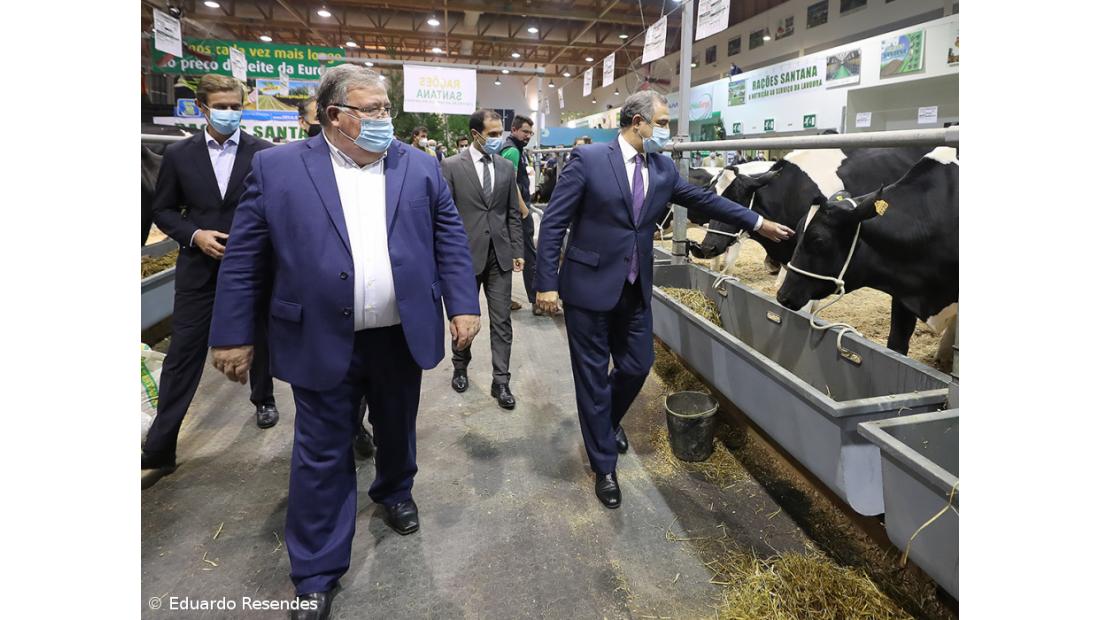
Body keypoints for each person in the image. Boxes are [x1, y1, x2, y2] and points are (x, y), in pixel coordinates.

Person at [208, 64, 481, 620]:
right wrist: (233, 334)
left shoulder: (420, 166)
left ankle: (395, 490)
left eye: (388, 108)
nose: (387, 119)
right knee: (320, 452)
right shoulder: (280, 168)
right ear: (336, 116)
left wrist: (463, 303)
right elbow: (244, 259)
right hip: (318, 334)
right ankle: (316, 570)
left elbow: (448, 236)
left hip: (399, 333)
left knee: (397, 423)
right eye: (374, 110)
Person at [534, 91, 795, 510]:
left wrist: (757, 222)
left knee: (638, 364)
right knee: (591, 378)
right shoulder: (590, 161)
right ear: (636, 122)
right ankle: (604, 465)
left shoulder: (662, 168)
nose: (667, 131)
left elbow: (705, 200)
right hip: (587, 287)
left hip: (635, 289)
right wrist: (545, 282)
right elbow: (554, 222)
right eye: (661, 121)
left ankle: (603, 423)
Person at [142, 74, 279, 472]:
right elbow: (163, 210)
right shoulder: (180, 156)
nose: (230, 113)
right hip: (199, 267)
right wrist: (195, 235)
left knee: (260, 337)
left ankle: (264, 399)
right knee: (183, 352)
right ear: (203, 108)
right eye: (222, 106)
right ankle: (162, 445)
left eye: (236, 106)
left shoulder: (263, 154)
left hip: (252, 264)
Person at [440, 110, 524, 410]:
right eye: (492, 134)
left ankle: (501, 380)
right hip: (464, 257)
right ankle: (460, 365)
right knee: (464, 318)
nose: (497, 138)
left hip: (499, 256)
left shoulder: (505, 167)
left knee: (502, 321)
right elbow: (443, 216)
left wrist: (517, 250)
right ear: (476, 134)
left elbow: (512, 213)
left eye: (499, 132)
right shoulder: (450, 166)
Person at [500, 115, 540, 314]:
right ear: (514, 129)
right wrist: (524, 210)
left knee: (504, 257)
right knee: (529, 255)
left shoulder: (511, 148)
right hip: (516, 213)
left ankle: (504, 301)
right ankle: (536, 302)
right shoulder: (512, 151)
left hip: (507, 213)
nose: (528, 136)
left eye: (530, 133)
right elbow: (510, 183)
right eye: (525, 131)